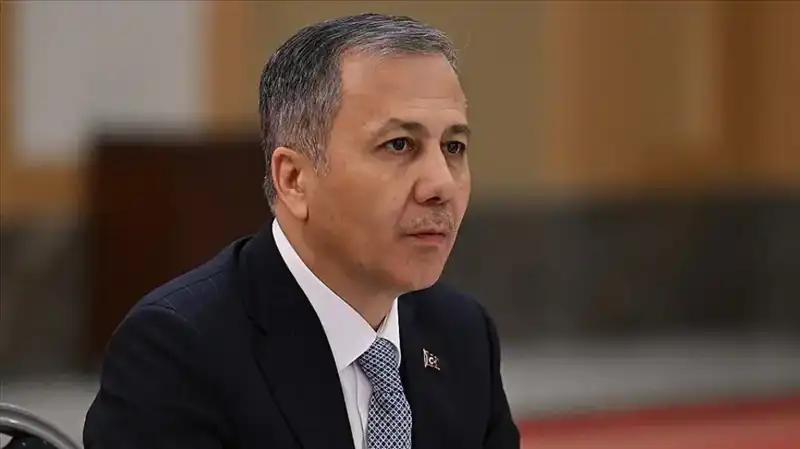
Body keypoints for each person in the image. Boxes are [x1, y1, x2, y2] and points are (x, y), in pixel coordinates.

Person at [83, 12, 520, 449]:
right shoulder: (177, 350)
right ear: (293, 179)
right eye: (399, 145)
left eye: (453, 147)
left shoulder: (462, 335)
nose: (441, 185)